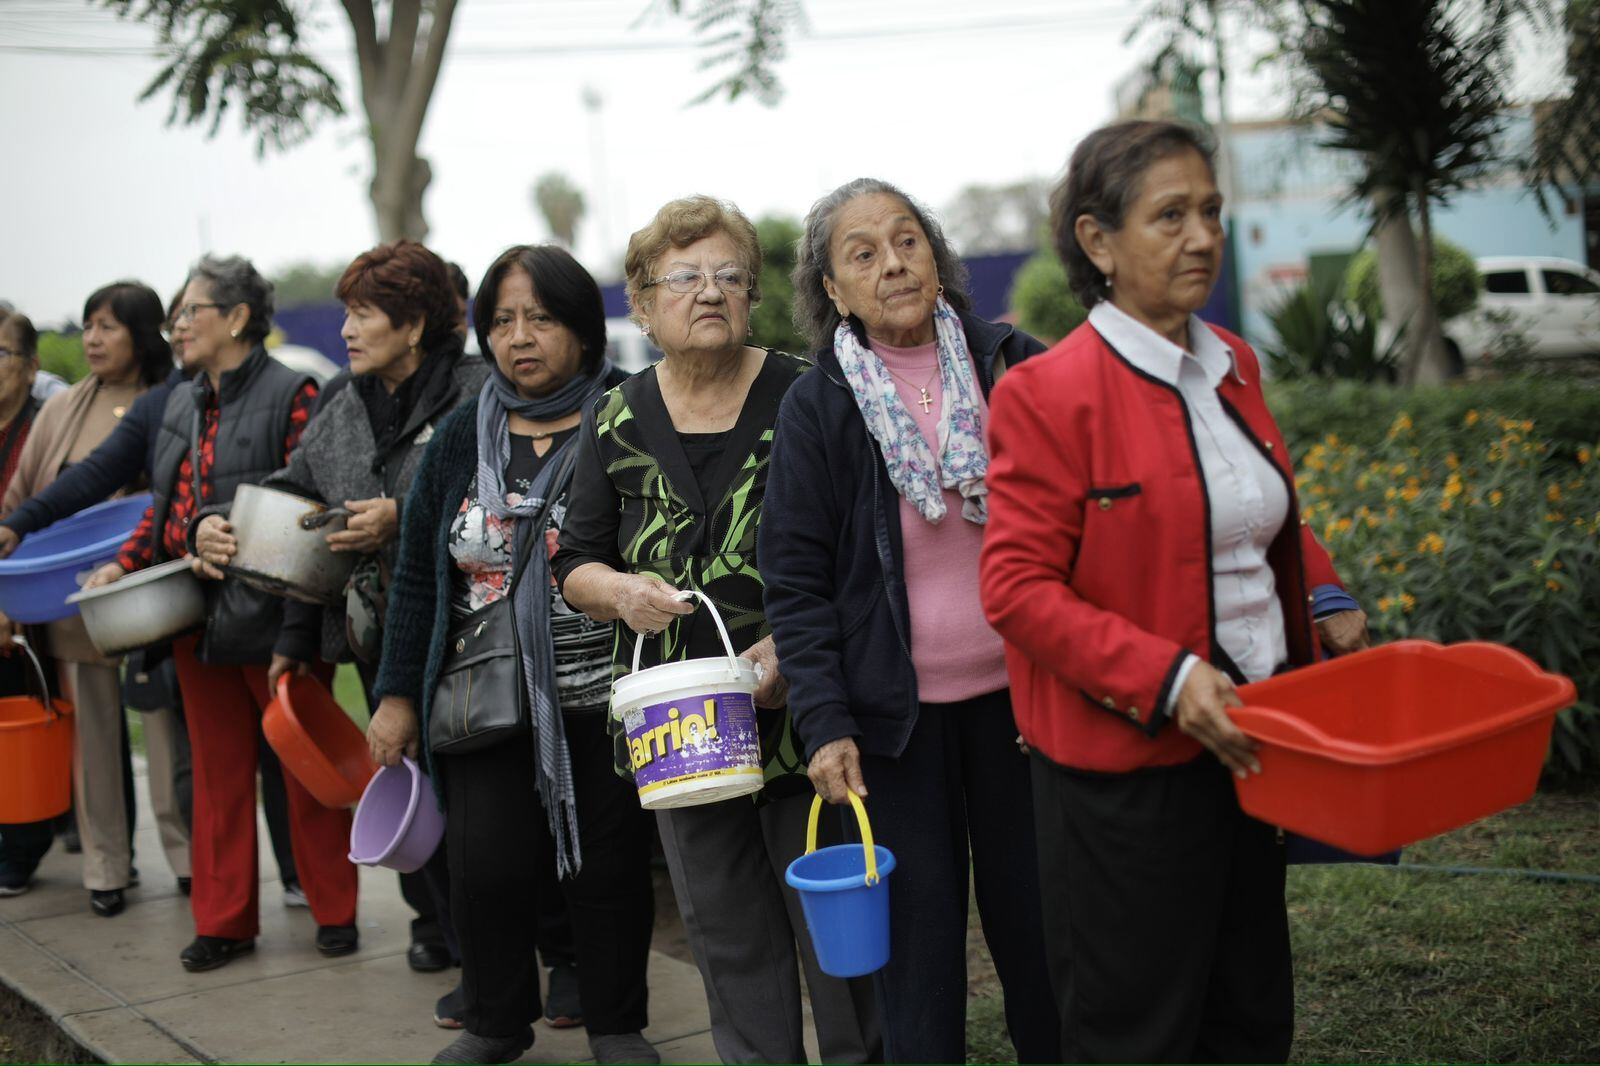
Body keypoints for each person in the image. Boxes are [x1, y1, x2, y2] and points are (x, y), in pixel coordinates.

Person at [978, 119, 1371, 1063]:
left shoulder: (1232, 361)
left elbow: (1246, 510)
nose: (1202, 237)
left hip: (1252, 742)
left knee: (1248, 1015)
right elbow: (1017, 588)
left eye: (1211, 212)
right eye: (1170, 217)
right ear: (1097, 241)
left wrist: (1322, 594)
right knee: (1138, 1033)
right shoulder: (1048, 393)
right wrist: (1168, 678)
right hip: (1127, 778)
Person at [555, 195, 881, 1066]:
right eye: (685, 277)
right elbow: (575, 560)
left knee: (835, 928)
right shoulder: (614, 417)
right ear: (642, 304)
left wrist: (794, 649)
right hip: (681, 727)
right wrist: (620, 592)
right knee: (728, 934)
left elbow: (865, 550)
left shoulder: (813, 395)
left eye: (729, 275)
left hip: (805, 712)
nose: (709, 291)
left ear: (752, 295)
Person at [758, 178, 1060, 1064]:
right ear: (833, 290)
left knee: (1044, 934)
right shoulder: (818, 405)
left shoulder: (1012, 364)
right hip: (895, 724)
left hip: (1023, 708)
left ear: (936, 256)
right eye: (863, 254)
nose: (892, 263)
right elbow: (796, 581)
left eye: (907, 240)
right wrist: (825, 722)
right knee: (919, 960)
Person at [367, 244, 654, 1066]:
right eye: (501, 321)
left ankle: (616, 1025)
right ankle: (495, 1021)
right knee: (484, 867)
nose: (519, 337)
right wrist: (397, 695)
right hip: (484, 694)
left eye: (541, 318)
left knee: (608, 870)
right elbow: (419, 576)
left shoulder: (628, 415)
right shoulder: (462, 434)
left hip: (604, 694)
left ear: (583, 328)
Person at [203, 239, 483, 990]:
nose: (347, 330)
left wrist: (404, 514)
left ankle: (515, 955)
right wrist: (215, 521)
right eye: (347, 314)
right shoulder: (343, 402)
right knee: (402, 778)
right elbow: (295, 494)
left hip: (472, 637)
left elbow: (504, 493)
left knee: (474, 799)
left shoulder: (477, 392)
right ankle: (435, 927)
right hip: (379, 635)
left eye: (364, 314)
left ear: (415, 325)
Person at [82, 255, 358, 973]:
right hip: (195, 618)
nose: (176, 327)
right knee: (216, 777)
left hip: (278, 616)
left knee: (304, 768)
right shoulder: (178, 401)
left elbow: (306, 505)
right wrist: (126, 563)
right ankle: (223, 921)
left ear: (236, 318)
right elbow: (165, 509)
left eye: (189, 312)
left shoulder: (295, 391)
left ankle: (336, 910)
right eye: (175, 316)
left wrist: (215, 526)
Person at [1, 283, 180, 917]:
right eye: (87, 327)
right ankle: (105, 866)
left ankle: (186, 857)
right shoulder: (62, 409)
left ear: (142, 333)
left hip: (152, 596)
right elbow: (27, 498)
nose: (93, 340)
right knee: (95, 738)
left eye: (108, 327)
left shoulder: (174, 400)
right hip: (71, 601)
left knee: (167, 732)